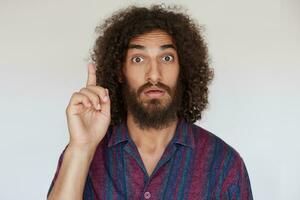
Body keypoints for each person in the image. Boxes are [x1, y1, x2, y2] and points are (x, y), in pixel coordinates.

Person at [47, 4, 253, 200]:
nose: (154, 75)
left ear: (183, 69)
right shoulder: (83, 153)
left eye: (167, 58)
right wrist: (81, 147)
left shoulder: (224, 163)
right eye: (138, 59)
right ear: (120, 71)